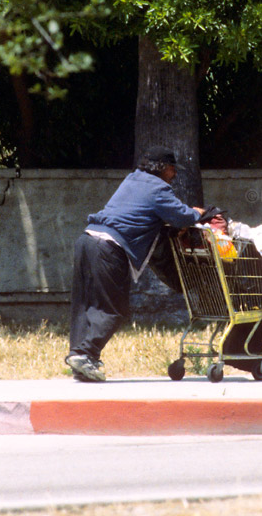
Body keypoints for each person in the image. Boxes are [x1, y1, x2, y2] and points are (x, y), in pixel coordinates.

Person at [66, 146, 204, 382]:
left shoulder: (132, 180)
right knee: (115, 308)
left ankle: (81, 358)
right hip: (109, 247)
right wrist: (197, 212)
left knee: (85, 305)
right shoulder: (158, 188)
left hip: (87, 240)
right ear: (163, 168)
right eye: (172, 169)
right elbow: (182, 217)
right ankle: (86, 354)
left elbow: (142, 215)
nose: (175, 174)